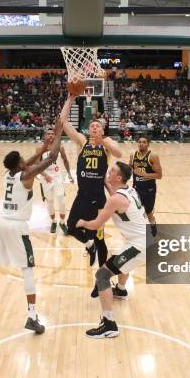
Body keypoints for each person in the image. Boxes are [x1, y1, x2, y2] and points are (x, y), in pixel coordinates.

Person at [0, 95, 71, 332]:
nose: (25, 162)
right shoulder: (25, 176)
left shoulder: (9, 174)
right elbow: (50, 159)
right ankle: (31, 316)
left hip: (0, 223)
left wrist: (39, 150)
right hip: (16, 227)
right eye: (23, 161)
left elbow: (29, 162)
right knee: (27, 269)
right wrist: (57, 136)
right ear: (20, 166)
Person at [76, 162, 146, 338]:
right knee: (122, 260)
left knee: (102, 275)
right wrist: (103, 180)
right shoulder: (128, 190)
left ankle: (109, 324)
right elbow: (114, 193)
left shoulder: (116, 200)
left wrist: (82, 223)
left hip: (139, 245)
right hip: (141, 240)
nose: (108, 171)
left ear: (119, 178)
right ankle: (121, 290)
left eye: (112, 171)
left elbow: (97, 224)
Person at [62, 97, 123, 298]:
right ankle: (88, 246)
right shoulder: (82, 142)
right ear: (88, 130)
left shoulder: (106, 145)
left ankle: (101, 281)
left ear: (102, 130)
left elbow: (119, 153)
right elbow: (63, 121)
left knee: (101, 240)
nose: (95, 128)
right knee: (70, 227)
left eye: (98, 126)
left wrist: (104, 141)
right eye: (92, 126)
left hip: (98, 199)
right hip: (82, 196)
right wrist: (70, 99)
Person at [36, 128, 74, 234]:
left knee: (61, 201)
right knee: (50, 202)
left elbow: (65, 160)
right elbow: (37, 165)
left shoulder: (60, 147)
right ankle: (53, 222)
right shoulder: (40, 148)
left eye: (53, 134)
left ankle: (62, 222)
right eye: (48, 134)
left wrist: (69, 174)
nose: (51, 135)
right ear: (45, 136)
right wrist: (45, 175)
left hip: (57, 177)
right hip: (45, 179)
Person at [129, 136, 162, 237]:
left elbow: (159, 175)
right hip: (136, 188)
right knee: (134, 212)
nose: (141, 144)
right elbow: (130, 168)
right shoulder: (133, 155)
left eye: (144, 142)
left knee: (148, 212)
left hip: (149, 189)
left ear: (148, 144)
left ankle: (153, 226)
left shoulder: (153, 156)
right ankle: (137, 233)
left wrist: (143, 174)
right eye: (139, 142)